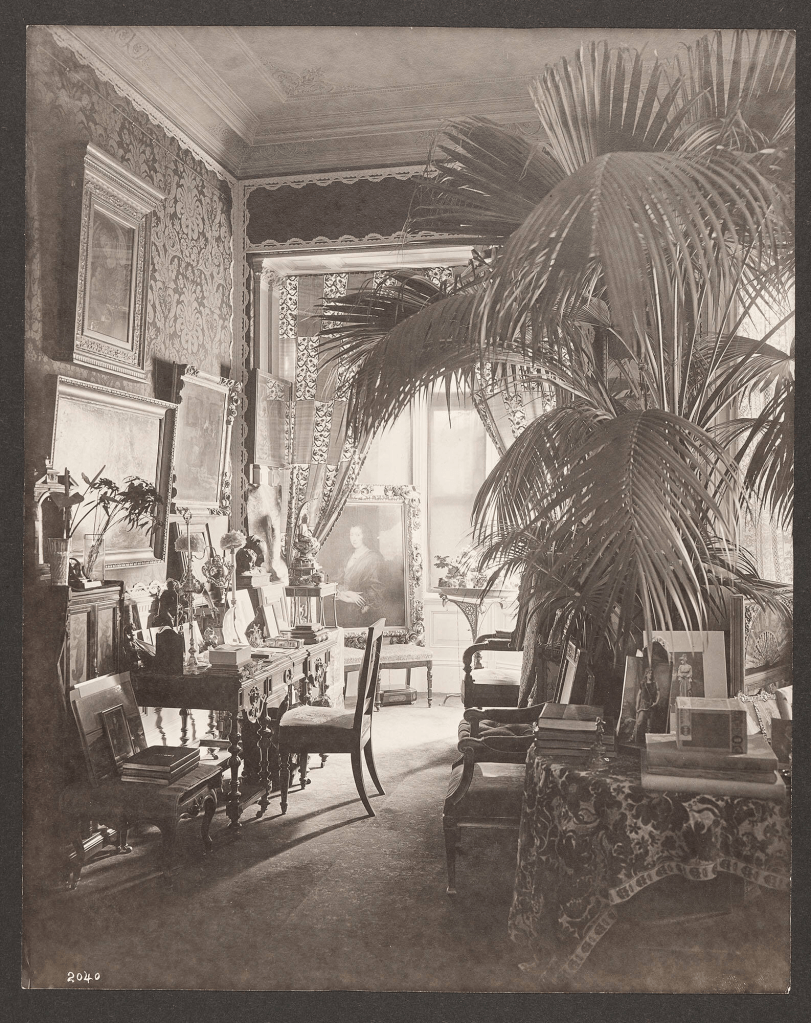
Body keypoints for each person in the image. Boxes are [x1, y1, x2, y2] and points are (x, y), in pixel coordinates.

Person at [335, 524, 386, 628]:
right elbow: (338, 581)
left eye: (358, 535)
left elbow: (375, 592)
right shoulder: (348, 556)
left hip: (362, 612)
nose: (354, 539)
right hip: (343, 608)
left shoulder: (373, 558)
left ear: (365, 536)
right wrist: (348, 593)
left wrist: (350, 599)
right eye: (351, 535)